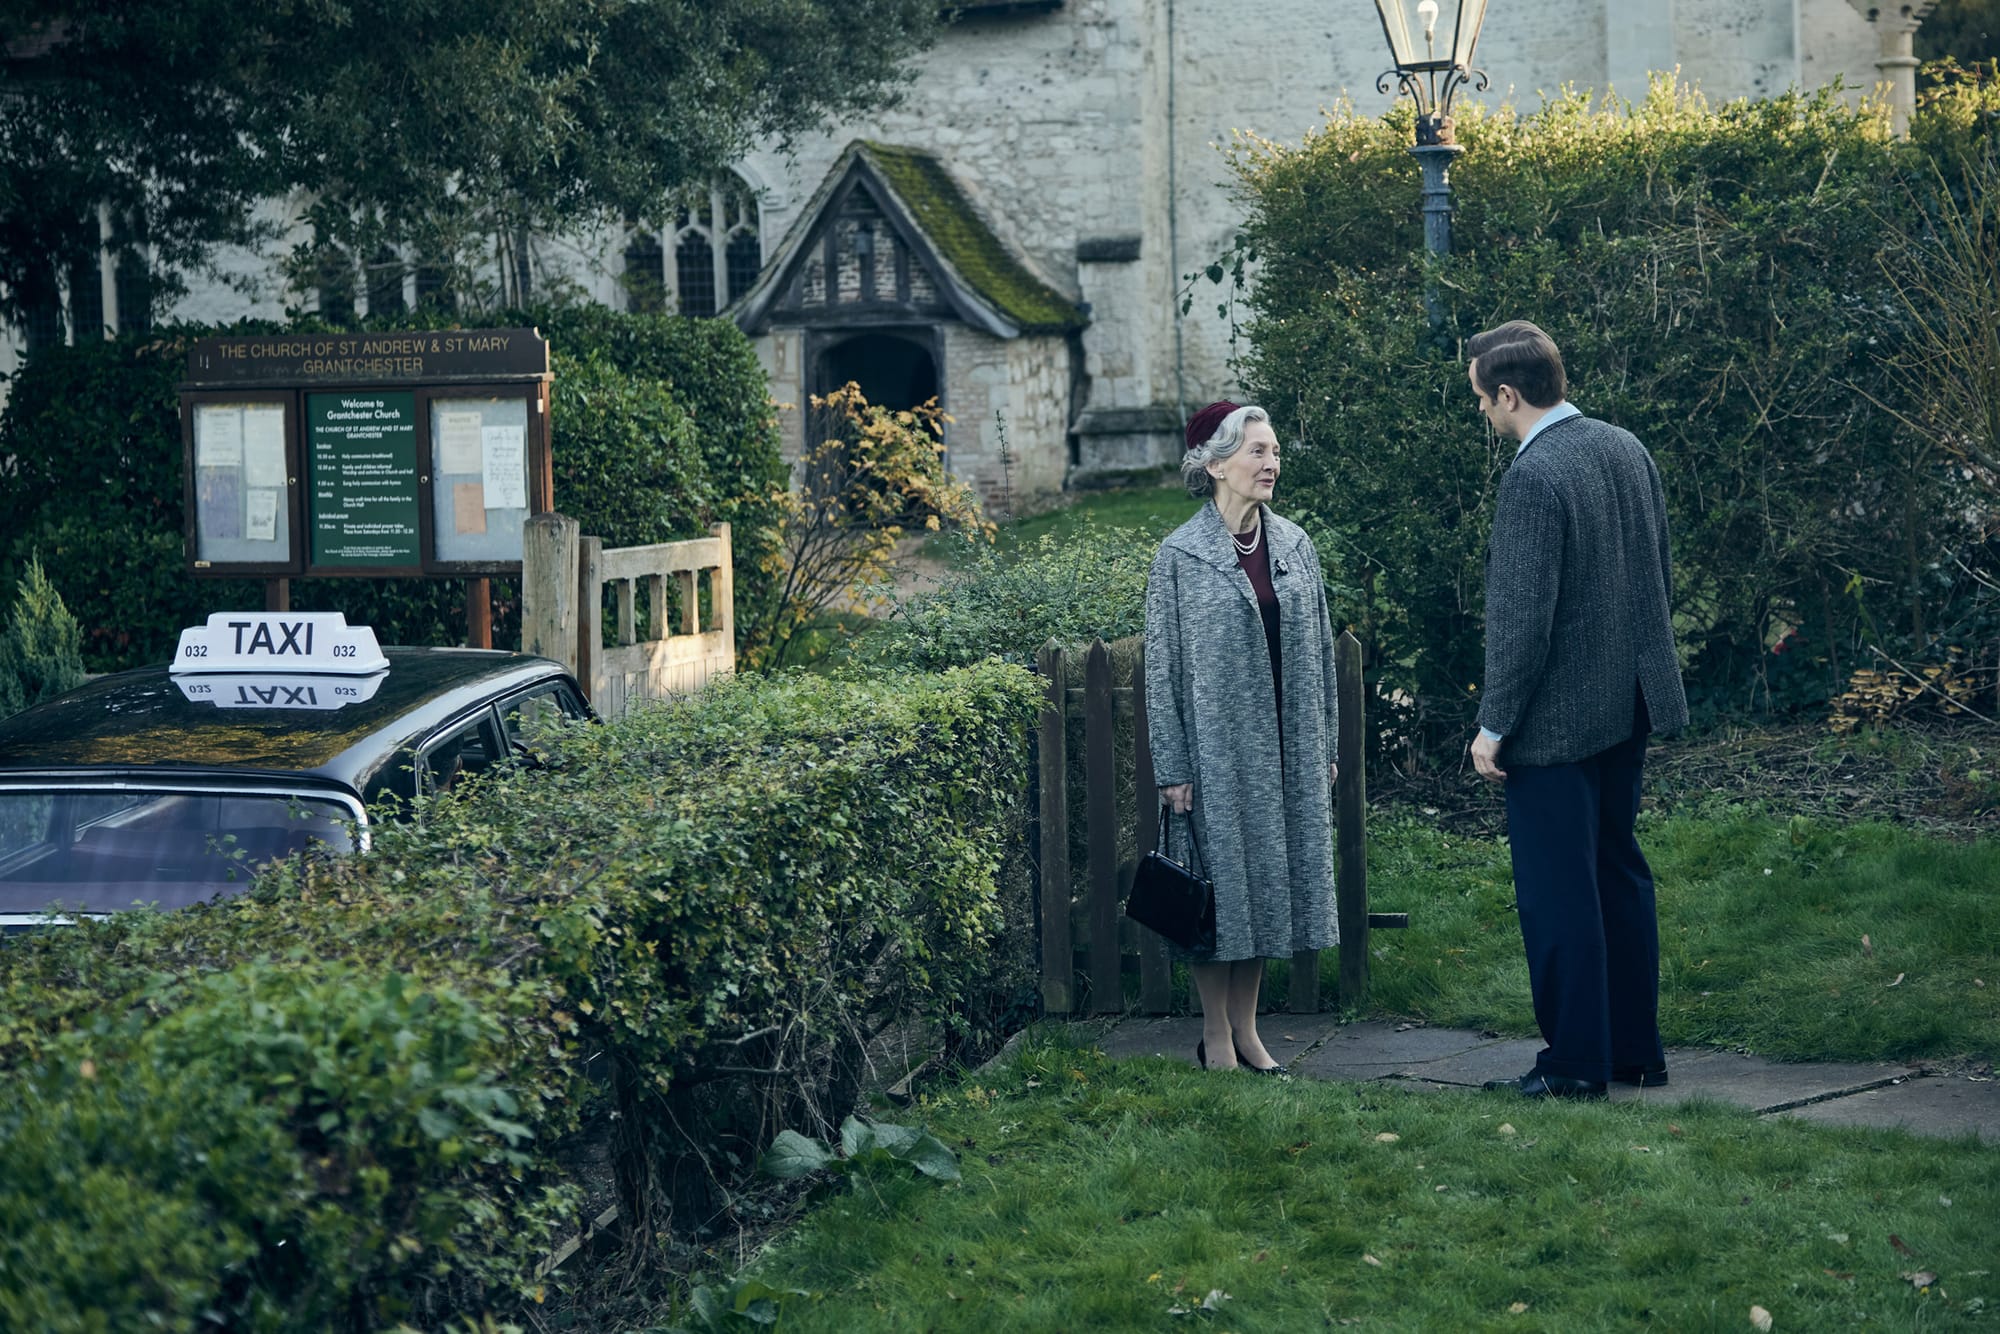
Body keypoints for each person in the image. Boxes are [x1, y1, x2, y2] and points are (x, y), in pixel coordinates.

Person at [1465, 320, 1689, 1100]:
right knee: (1617, 873)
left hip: (1557, 722)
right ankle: (1634, 1053)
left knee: (1562, 892)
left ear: (1509, 392)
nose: (1486, 418)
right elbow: (1657, 575)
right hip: (1628, 703)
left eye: (1483, 402)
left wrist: (1494, 727)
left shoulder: (1535, 475)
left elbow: (1522, 622)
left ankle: (1571, 1067)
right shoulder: (1625, 447)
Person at [1144, 401, 1341, 1073]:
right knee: (1220, 895)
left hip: (1288, 750)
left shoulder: (1294, 544)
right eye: (1258, 451)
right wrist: (1172, 767)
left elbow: (1319, 652)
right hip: (1216, 757)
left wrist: (1328, 748)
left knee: (1267, 888)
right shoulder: (1179, 556)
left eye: (1276, 451)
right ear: (1217, 464)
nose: (1272, 463)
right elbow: (1162, 670)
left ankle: (1249, 1031)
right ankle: (1215, 1036)